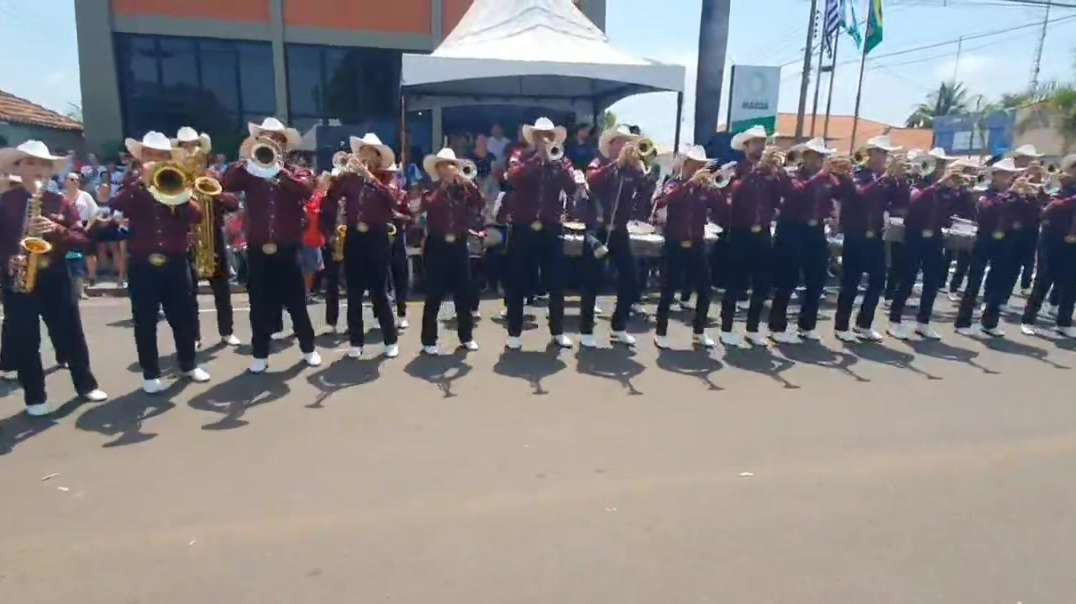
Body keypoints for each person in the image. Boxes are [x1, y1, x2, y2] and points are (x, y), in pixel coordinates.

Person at [0, 141, 107, 415]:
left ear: (49, 171)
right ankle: (35, 397)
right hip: (18, 279)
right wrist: (8, 259)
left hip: (56, 275)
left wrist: (57, 229)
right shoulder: (4, 202)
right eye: (30, 162)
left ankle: (85, 384)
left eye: (43, 164)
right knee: (25, 339)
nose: (37, 169)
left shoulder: (61, 202)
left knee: (70, 333)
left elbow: (82, 240)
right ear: (18, 167)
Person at [109, 132, 211, 393]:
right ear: (141, 157)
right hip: (142, 263)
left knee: (183, 316)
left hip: (175, 261)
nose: (155, 160)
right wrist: (142, 184)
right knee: (144, 320)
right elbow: (115, 204)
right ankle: (150, 374)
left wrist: (180, 194)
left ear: (169, 157)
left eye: (161, 155)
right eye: (150, 155)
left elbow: (197, 215)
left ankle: (188, 364)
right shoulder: (132, 185)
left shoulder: (180, 181)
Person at [222, 118, 320, 373]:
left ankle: (308, 348)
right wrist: (247, 159)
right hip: (257, 248)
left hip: (288, 247)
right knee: (259, 304)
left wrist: (277, 170)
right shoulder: (249, 171)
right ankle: (260, 354)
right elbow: (227, 183)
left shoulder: (297, 171)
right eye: (266, 137)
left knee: (297, 302)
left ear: (285, 146)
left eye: (277, 138)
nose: (271, 142)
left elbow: (305, 191)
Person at [321, 132, 400, 359]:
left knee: (379, 291)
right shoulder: (349, 178)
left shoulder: (385, 179)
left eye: (368, 152)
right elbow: (331, 199)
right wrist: (332, 182)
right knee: (354, 292)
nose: (363, 156)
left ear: (377, 157)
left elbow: (392, 201)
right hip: (354, 236)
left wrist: (370, 177)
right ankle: (356, 341)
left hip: (377, 237)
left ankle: (390, 339)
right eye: (361, 151)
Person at [503, 117, 577, 350]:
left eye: (548, 136)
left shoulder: (562, 160)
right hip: (523, 227)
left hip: (551, 227)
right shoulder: (520, 155)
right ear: (532, 138)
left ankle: (557, 332)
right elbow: (513, 177)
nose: (544, 140)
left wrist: (556, 162)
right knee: (517, 280)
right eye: (539, 136)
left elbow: (572, 187)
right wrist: (537, 159)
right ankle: (514, 333)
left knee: (556, 282)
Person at [580, 124, 654, 347]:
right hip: (599, 230)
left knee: (630, 279)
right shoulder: (598, 163)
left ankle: (618, 326)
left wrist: (642, 168)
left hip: (620, 230)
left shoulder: (632, 168)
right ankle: (586, 331)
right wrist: (616, 164)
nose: (626, 145)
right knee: (591, 281)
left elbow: (645, 189)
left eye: (627, 141)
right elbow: (591, 181)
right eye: (621, 141)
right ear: (611, 145)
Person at [832, 135, 910, 343]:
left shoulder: (885, 178)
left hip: (876, 236)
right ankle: (841, 326)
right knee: (851, 282)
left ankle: (863, 324)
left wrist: (900, 180)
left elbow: (902, 203)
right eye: (882, 152)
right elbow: (860, 195)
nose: (885, 157)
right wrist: (885, 179)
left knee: (877, 281)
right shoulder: (856, 174)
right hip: (856, 235)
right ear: (871, 153)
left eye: (886, 153)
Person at [767, 137, 842, 344]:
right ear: (806, 156)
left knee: (817, 280)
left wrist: (844, 178)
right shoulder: (790, 175)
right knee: (787, 280)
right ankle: (777, 327)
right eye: (817, 156)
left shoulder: (827, 179)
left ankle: (806, 325)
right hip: (791, 229)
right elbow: (796, 193)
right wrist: (821, 175)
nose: (820, 160)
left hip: (815, 230)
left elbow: (836, 195)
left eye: (823, 156)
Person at [652, 145, 724, 349]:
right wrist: (689, 184)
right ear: (685, 164)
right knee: (668, 290)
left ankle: (699, 331)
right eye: (695, 164)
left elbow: (721, 211)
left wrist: (714, 190)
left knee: (705, 289)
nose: (700, 169)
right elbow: (663, 201)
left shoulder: (704, 189)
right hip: (674, 244)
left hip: (697, 244)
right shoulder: (673, 184)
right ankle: (661, 331)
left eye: (702, 165)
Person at [174, 127, 240, 348]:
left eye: (194, 145)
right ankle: (193, 336)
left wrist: (215, 191)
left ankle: (226, 331)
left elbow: (233, 203)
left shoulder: (212, 175)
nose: (190, 150)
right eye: (185, 146)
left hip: (213, 236)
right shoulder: (174, 178)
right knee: (187, 292)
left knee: (221, 287)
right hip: (187, 239)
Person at [887, 165, 967, 341]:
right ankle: (894, 321)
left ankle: (923, 323)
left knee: (932, 282)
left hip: (935, 237)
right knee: (907, 280)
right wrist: (939, 184)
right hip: (915, 236)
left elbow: (953, 209)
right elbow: (915, 203)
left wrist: (959, 188)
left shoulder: (946, 193)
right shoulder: (921, 187)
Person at [417, 148, 483, 354]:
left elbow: (479, 204)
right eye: (444, 165)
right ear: (437, 168)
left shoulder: (464, 188)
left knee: (463, 292)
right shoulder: (430, 187)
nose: (449, 168)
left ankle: (466, 336)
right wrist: (443, 186)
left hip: (459, 245)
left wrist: (469, 183)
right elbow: (428, 205)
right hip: (437, 245)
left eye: (451, 164)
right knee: (434, 294)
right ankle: (429, 340)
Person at [719, 125, 780, 348]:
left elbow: (780, 198)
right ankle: (726, 328)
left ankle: (752, 329)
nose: (761, 146)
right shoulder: (736, 168)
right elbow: (733, 193)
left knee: (762, 283)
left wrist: (776, 175)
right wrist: (757, 172)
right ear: (746, 146)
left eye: (763, 142)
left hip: (762, 233)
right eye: (756, 142)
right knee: (734, 283)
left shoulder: (770, 172)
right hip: (740, 233)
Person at [954, 158, 1026, 337]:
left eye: (1009, 174)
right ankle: (963, 322)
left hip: (1006, 241)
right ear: (994, 176)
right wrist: (1013, 195)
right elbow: (990, 208)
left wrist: (1030, 197)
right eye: (1003, 174)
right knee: (974, 281)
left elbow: (1029, 214)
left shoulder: (1014, 195)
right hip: (985, 239)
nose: (1007, 177)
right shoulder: (986, 193)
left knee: (998, 282)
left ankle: (989, 322)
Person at [1021, 153, 1076, 337]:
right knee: (1043, 280)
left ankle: (1064, 322)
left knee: (1071, 283)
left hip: (1072, 242)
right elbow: (1050, 208)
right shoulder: (1059, 184)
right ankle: (1028, 319)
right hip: (1052, 239)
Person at [1009, 144, 1048, 297]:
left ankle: (1025, 285)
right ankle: (1006, 289)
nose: (1029, 161)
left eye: (1031, 159)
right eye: (1026, 158)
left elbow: (1046, 199)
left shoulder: (1041, 179)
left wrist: (1041, 178)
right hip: (1015, 224)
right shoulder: (1015, 176)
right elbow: (1009, 195)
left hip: (1033, 224)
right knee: (1012, 259)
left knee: (1030, 258)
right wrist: (1023, 179)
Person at [381, 162, 412, 330]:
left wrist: (397, 215)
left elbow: (410, 217)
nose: (390, 176)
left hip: (397, 238)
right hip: (379, 238)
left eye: (393, 173)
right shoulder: (378, 191)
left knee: (400, 275)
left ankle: (401, 313)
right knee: (381, 278)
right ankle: (382, 314)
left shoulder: (402, 194)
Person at [62, 172, 98, 299]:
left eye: (77, 180)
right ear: (66, 181)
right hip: (66, 231)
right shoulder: (62, 196)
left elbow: (95, 212)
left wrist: (87, 227)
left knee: (80, 260)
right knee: (68, 260)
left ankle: (81, 290)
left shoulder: (85, 195)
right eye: (71, 179)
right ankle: (69, 290)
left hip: (82, 231)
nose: (74, 182)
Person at [301, 172, 329, 295]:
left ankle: (305, 293)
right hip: (301, 238)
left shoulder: (319, 197)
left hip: (315, 239)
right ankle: (302, 293)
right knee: (303, 269)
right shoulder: (301, 197)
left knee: (311, 269)